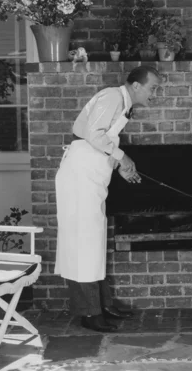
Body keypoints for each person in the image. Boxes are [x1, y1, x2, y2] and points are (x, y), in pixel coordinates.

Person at [55, 65, 162, 332]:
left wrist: (120, 167)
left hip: (92, 178)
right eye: (153, 88)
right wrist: (122, 157)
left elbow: (101, 142)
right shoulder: (113, 97)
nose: (156, 93)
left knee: (92, 242)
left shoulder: (123, 104)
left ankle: (101, 306)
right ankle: (89, 313)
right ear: (136, 86)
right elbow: (93, 135)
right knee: (83, 243)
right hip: (80, 177)